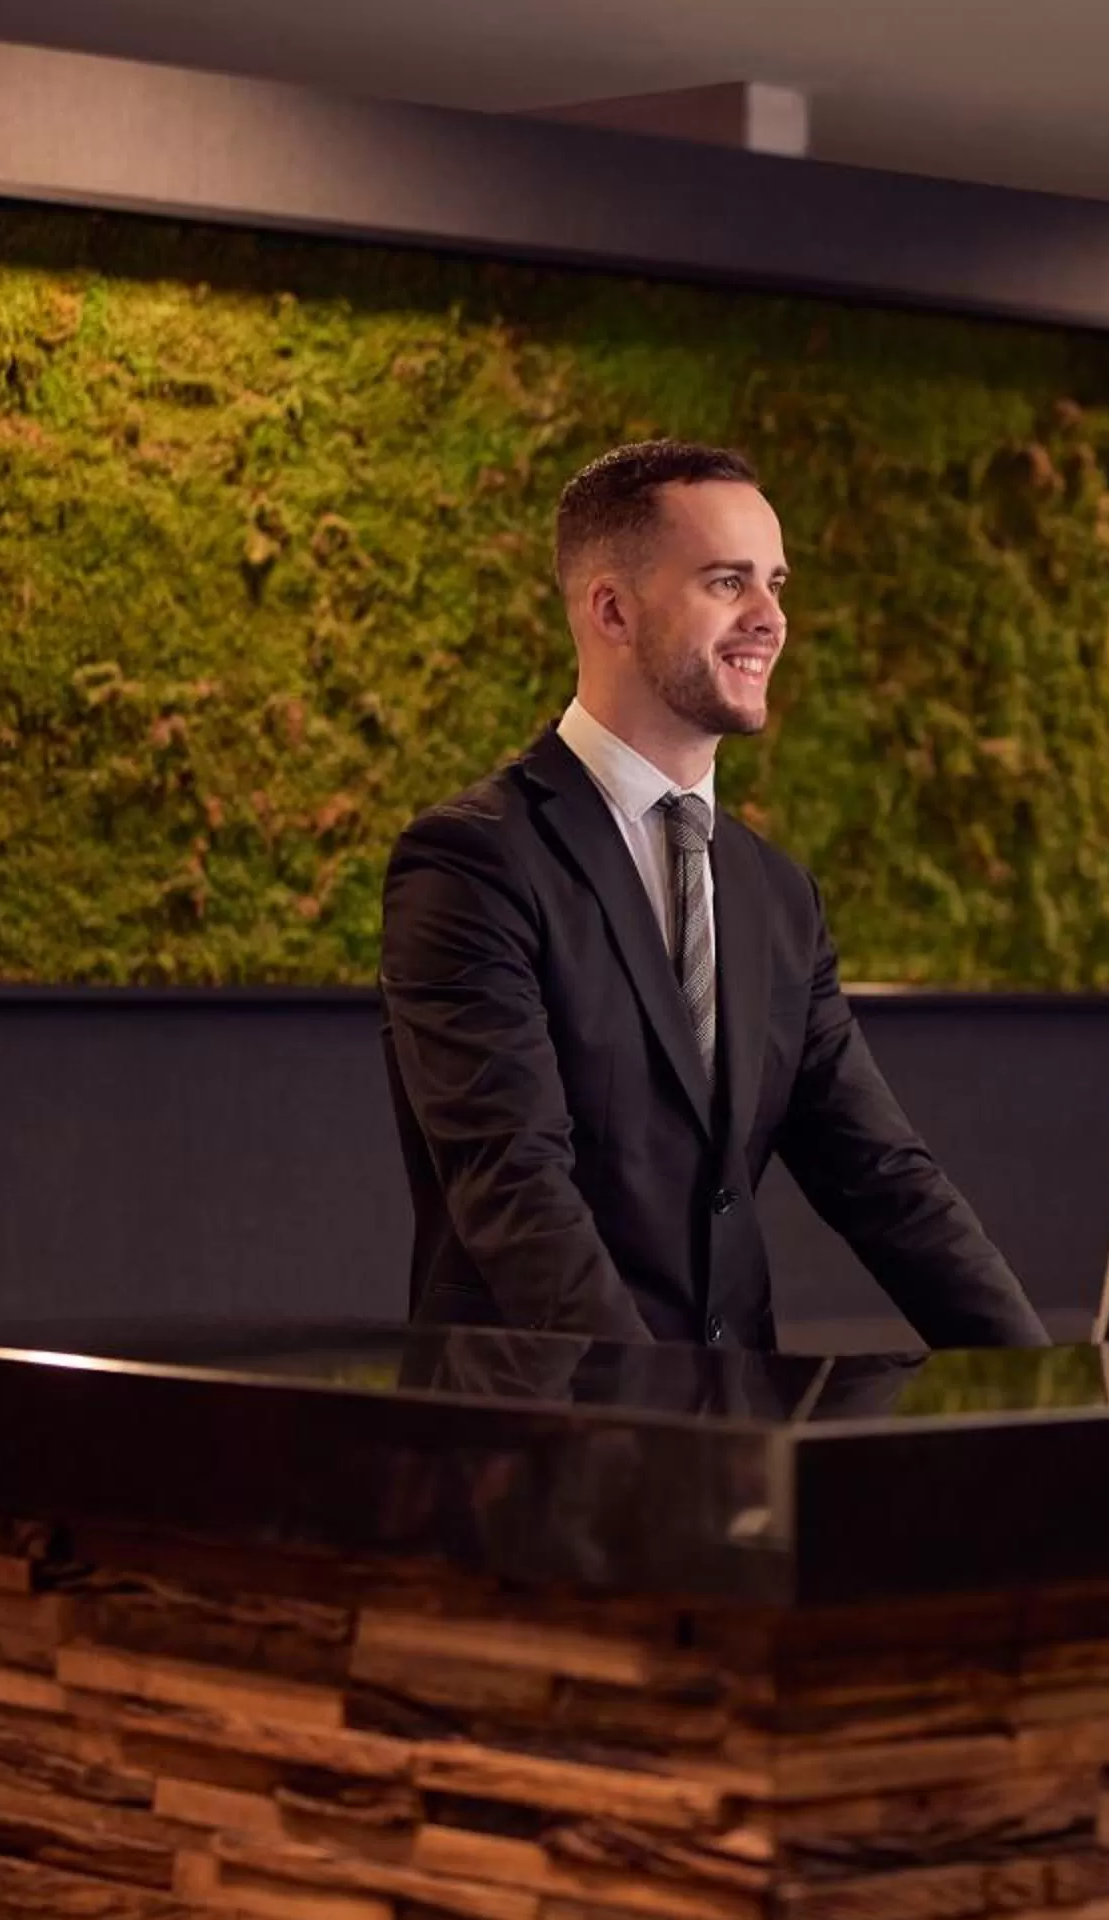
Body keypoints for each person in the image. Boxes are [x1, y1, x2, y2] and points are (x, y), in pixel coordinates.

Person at [378, 440, 1051, 1351]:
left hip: (730, 1443)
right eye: (729, 583)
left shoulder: (777, 894)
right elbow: (517, 1188)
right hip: (539, 1447)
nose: (771, 619)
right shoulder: (471, 862)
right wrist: (658, 1426)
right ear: (613, 609)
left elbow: (885, 1178)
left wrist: (1057, 1397)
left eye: (777, 583)